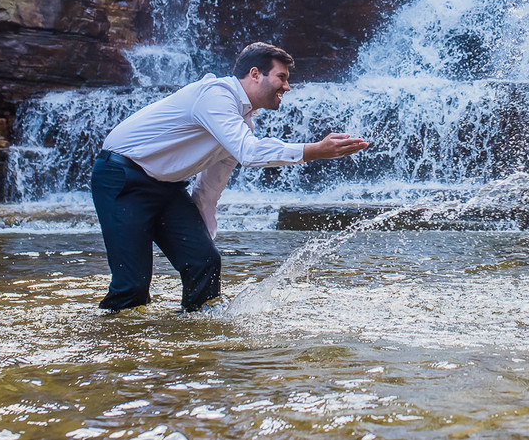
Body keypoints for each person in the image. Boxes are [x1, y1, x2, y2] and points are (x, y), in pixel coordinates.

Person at [90, 42, 368, 313]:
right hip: (122, 176)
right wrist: (315, 150)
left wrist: (199, 236)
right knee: (132, 284)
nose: (287, 86)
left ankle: (196, 334)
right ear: (255, 74)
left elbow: (210, 188)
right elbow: (249, 152)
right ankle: (110, 344)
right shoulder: (217, 95)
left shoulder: (240, 123)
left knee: (204, 261)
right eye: (281, 77)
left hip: (168, 187)